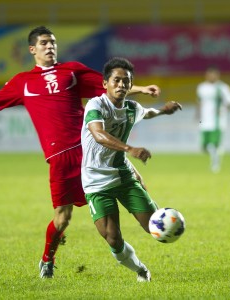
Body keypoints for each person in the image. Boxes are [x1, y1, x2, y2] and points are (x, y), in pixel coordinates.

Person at [0, 26, 161, 278]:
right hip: (60, 159)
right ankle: (47, 260)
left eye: (53, 42)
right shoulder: (22, 82)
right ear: (32, 49)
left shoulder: (71, 70)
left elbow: (112, 84)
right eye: (43, 43)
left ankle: (151, 230)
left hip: (89, 151)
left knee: (131, 185)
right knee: (62, 219)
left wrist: (140, 89)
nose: (50, 46)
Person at [81, 57, 182, 282]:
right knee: (113, 238)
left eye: (126, 81)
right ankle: (140, 270)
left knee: (154, 225)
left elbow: (147, 113)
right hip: (96, 182)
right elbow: (98, 134)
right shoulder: (96, 105)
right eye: (116, 80)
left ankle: (166, 225)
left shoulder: (132, 108)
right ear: (105, 83)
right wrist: (130, 148)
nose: (121, 85)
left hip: (123, 176)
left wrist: (164, 111)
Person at [196, 66, 230, 173]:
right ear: (206, 75)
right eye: (209, 74)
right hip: (204, 121)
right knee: (204, 146)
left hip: (217, 121)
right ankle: (217, 154)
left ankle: (215, 163)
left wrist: (224, 110)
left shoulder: (222, 87)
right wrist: (197, 115)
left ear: (217, 75)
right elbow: (199, 102)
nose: (211, 76)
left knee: (213, 144)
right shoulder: (202, 87)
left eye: (214, 74)